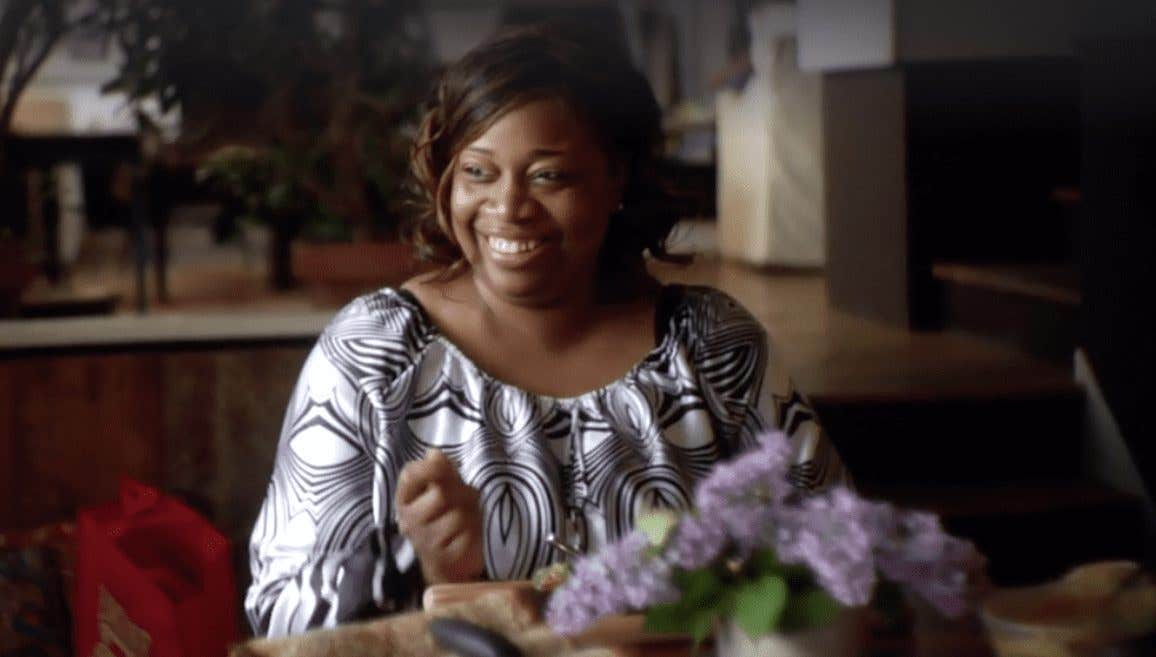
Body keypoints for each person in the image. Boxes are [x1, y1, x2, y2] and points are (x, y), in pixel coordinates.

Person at [245, 20, 847, 638]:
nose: (508, 208)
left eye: (548, 175)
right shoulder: (374, 355)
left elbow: (838, 563)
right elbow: (279, 613)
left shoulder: (712, 346)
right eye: (479, 173)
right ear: (446, 177)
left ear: (616, 177)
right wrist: (420, 571)